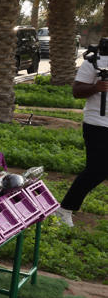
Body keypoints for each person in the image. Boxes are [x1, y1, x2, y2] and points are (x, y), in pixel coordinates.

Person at [54, 38, 108, 226]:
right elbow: (76, 91)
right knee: (97, 171)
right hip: (98, 124)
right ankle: (64, 209)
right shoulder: (94, 62)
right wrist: (95, 88)